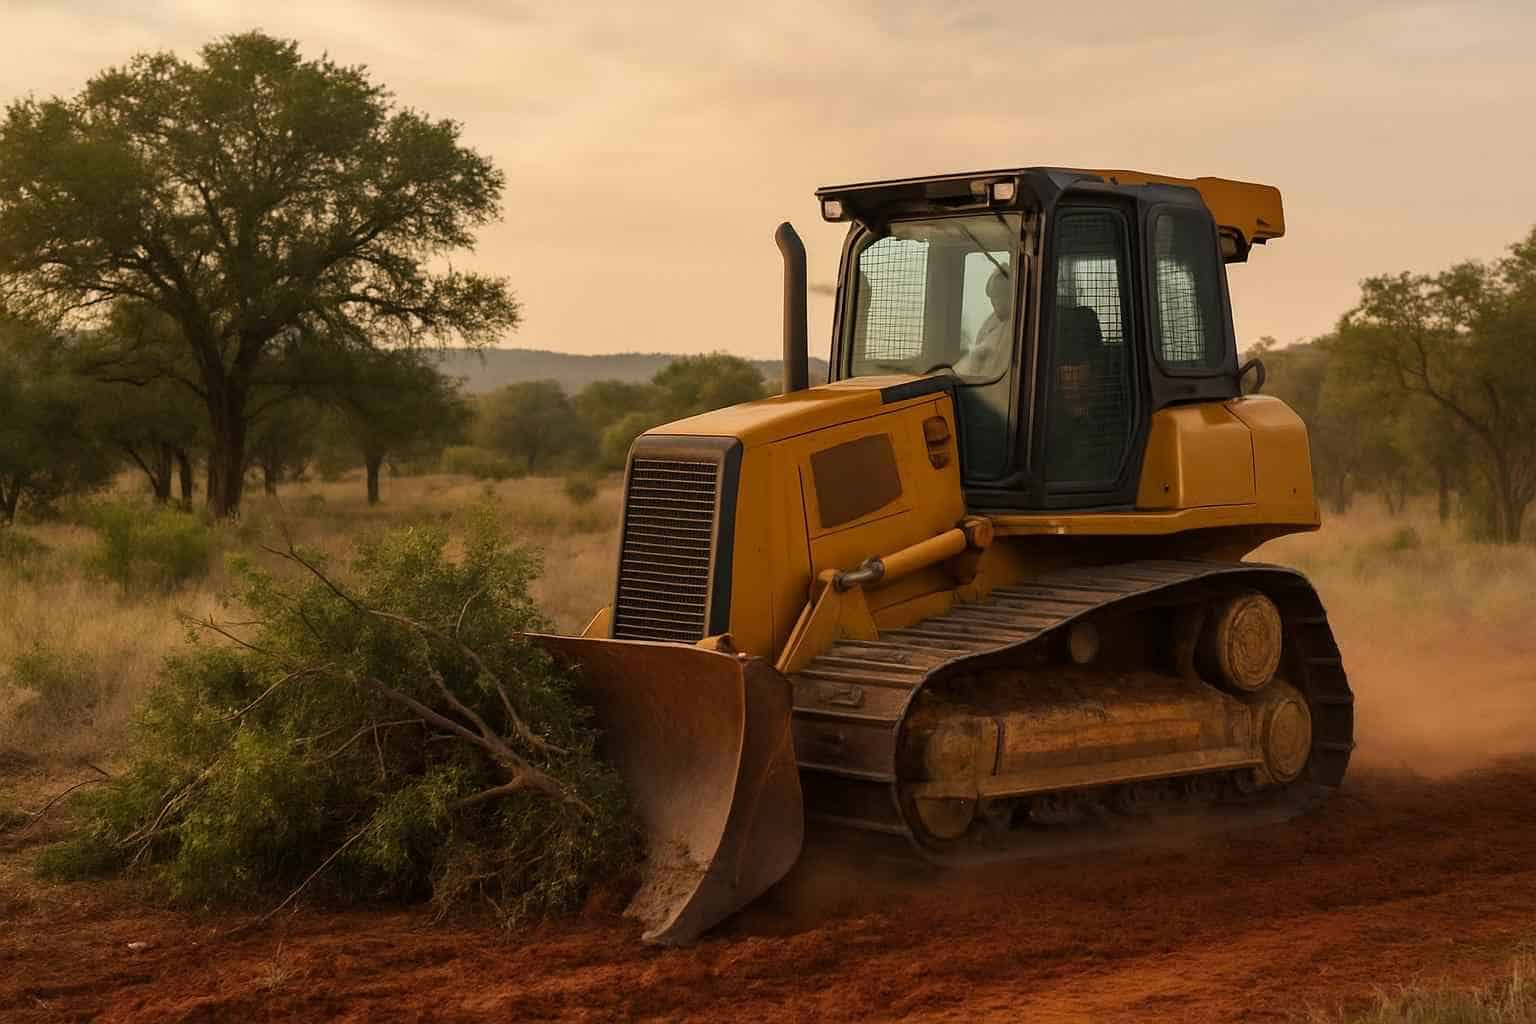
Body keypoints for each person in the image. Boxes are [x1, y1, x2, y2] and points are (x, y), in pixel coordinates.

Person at [955, 266, 1013, 378]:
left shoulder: (1017, 324)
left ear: (1012, 293)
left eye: (1002, 294)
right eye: (994, 296)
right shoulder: (990, 323)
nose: (996, 302)